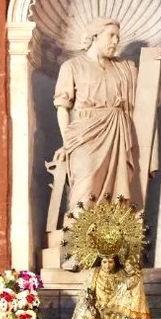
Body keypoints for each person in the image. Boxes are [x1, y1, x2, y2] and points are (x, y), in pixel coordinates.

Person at [50, 18, 143, 215]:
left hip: (117, 133)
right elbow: (62, 107)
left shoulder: (123, 69)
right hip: (84, 136)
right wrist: (67, 143)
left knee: (117, 193)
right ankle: (77, 242)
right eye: (111, 35)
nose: (116, 41)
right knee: (85, 188)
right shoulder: (72, 66)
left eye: (118, 37)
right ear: (95, 36)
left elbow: (147, 99)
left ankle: (114, 241)